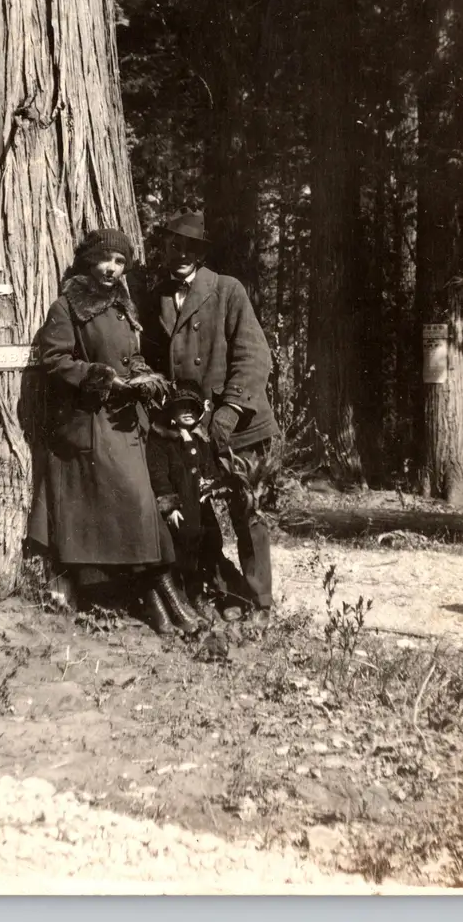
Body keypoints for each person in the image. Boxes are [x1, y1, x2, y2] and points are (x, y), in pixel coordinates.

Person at [27, 228, 201, 637]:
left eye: (120, 262)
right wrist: (104, 379)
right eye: (106, 259)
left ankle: (165, 609)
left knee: (142, 513)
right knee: (136, 511)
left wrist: (142, 375)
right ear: (90, 260)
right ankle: (164, 606)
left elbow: (132, 353)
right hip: (92, 424)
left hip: (127, 424)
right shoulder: (67, 306)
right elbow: (56, 360)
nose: (112, 269)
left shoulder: (124, 306)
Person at [142, 209, 281, 627]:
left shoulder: (226, 290)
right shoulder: (158, 299)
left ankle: (261, 604)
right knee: (196, 517)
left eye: (190, 248)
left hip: (237, 424)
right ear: (164, 250)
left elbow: (254, 355)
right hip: (189, 428)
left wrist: (230, 409)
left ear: (201, 253)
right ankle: (225, 593)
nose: (181, 254)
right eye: (173, 246)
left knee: (247, 513)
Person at [146, 380, 230, 618]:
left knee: (206, 545)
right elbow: (158, 474)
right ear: (171, 410)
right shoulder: (162, 439)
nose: (188, 413)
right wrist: (169, 506)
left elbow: (209, 468)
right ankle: (179, 597)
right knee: (179, 549)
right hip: (180, 507)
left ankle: (198, 595)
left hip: (199, 507)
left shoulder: (200, 439)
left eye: (193, 408)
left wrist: (211, 485)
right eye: (182, 407)